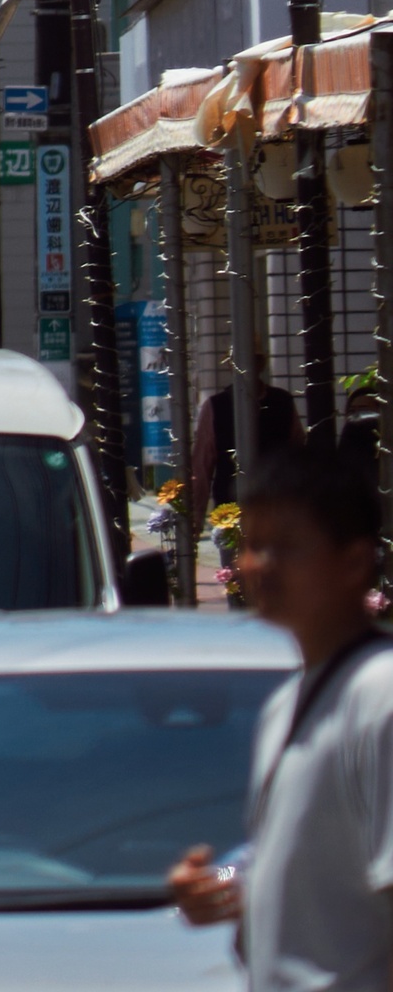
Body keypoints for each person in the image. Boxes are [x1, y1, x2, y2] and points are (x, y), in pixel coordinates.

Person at [170, 448, 393, 992]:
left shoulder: (380, 696)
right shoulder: (286, 702)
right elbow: (316, 871)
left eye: (285, 548)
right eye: (251, 544)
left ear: (354, 562)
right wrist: (225, 885)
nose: (259, 566)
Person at [189, 357, 304, 538]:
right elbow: (201, 465)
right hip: (229, 511)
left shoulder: (282, 402)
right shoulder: (216, 406)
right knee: (232, 563)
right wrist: (195, 516)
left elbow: (299, 456)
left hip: (277, 507)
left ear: (261, 364)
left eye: (253, 360)